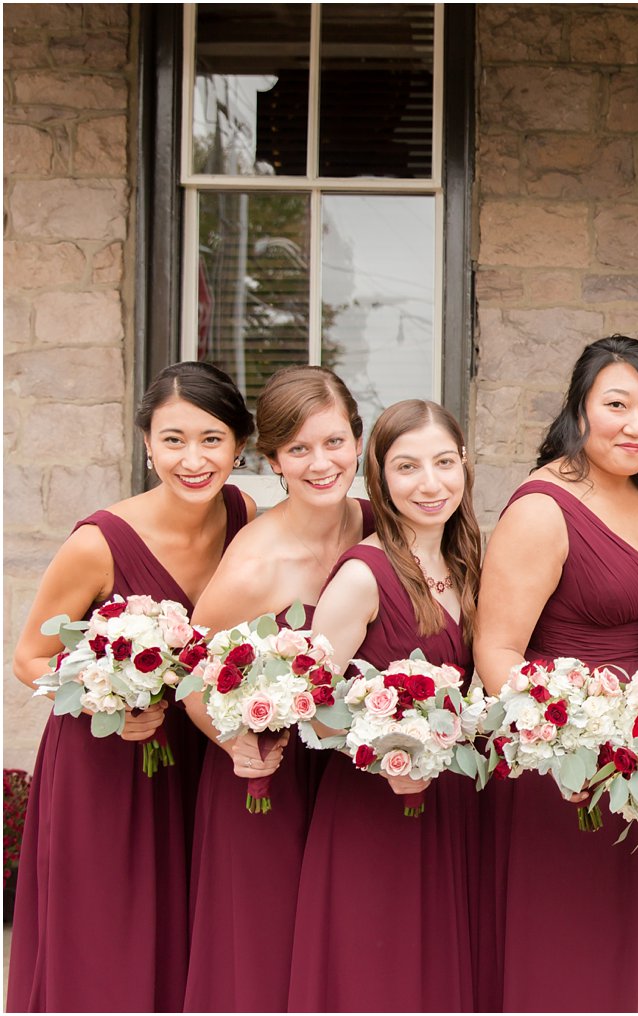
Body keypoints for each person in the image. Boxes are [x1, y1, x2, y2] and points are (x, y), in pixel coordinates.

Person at [7, 362, 255, 1013]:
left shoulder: (243, 514)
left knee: (186, 937)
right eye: (172, 439)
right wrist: (101, 700)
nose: (193, 459)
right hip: (107, 763)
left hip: (198, 756)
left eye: (211, 439)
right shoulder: (99, 542)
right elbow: (30, 657)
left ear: (239, 444)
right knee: (107, 943)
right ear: (147, 444)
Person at [475, 335, 638, 1012]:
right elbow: (497, 654)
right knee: (568, 959)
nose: (637, 424)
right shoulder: (543, 507)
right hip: (562, 770)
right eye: (617, 404)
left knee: (626, 959)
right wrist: (574, 748)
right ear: (579, 408)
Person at [183, 365, 373, 1011]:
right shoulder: (255, 562)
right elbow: (190, 674)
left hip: (353, 781)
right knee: (263, 964)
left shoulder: (379, 528)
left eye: (335, 442)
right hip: (269, 779)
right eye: (299, 449)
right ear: (273, 461)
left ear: (357, 441)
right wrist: (233, 740)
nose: (321, 464)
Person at [285, 399, 481, 1012]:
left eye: (444, 462)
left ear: (465, 466)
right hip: (374, 810)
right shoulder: (364, 575)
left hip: (454, 805)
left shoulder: (470, 561)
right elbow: (310, 703)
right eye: (407, 467)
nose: (430, 483)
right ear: (380, 477)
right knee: (379, 977)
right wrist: (390, 745)